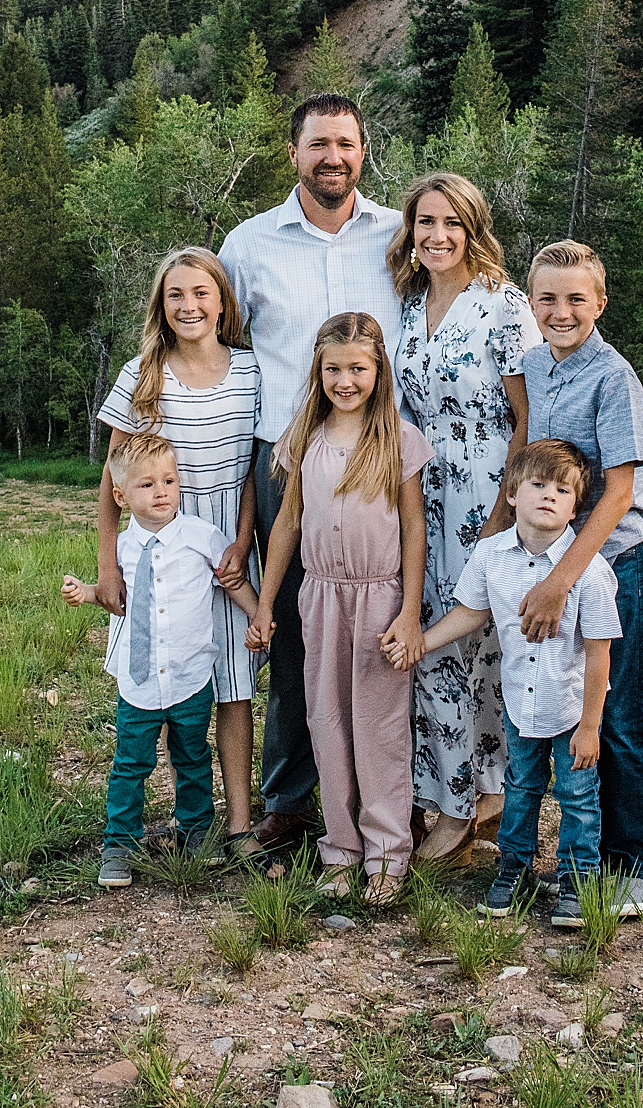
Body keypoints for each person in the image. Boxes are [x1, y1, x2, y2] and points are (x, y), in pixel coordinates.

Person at [219, 94, 403, 851]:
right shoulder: (249, 244)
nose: (334, 156)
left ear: (364, 152)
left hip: (382, 460)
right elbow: (221, 348)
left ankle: (393, 799)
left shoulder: (399, 234)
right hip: (286, 460)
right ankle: (291, 801)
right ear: (292, 152)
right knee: (293, 629)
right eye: (319, 144)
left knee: (388, 624)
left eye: (347, 144)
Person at [483, 238, 643, 915]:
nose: (562, 311)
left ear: (600, 303)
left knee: (613, 717)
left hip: (608, 564)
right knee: (552, 711)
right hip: (547, 559)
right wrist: (498, 538)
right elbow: (524, 450)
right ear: (532, 304)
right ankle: (575, 862)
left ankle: (634, 865)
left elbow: (616, 493)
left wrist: (561, 582)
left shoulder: (614, 378)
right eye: (549, 299)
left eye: (575, 299)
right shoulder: (533, 362)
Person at [385, 440, 620, 928]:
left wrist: (591, 726)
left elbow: (600, 653)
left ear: (577, 506)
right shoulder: (492, 555)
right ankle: (514, 868)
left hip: (571, 710)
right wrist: (422, 644)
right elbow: (472, 613)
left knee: (577, 795)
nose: (548, 496)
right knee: (521, 787)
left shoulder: (590, 571)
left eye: (562, 490)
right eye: (537, 485)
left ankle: (579, 878)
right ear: (512, 493)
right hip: (518, 704)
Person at [247, 311, 432, 905]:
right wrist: (267, 602)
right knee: (325, 722)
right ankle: (341, 847)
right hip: (319, 595)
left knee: (377, 728)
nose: (345, 380)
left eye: (358, 368)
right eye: (333, 368)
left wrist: (408, 610)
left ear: (379, 370)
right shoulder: (303, 436)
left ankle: (386, 852)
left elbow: (413, 530)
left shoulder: (397, 440)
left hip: (379, 597)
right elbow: (285, 527)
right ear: (317, 371)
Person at [387, 172, 540, 868]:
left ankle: (470, 803)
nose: (437, 235)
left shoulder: (503, 305)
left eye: (452, 223)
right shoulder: (409, 304)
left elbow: (528, 417)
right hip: (422, 493)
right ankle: (458, 793)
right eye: (425, 222)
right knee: (434, 646)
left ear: (473, 229)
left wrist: (504, 512)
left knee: (475, 647)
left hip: (487, 495)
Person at [92, 248, 263, 853]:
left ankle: (237, 821)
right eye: (175, 296)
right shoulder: (144, 372)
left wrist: (243, 542)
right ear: (161, 307)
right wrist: (107, 562)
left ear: (222, 301)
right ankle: (159, 814)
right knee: (167, 675)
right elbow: (115, 475)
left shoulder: (249, 370)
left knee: (233, 682)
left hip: (227, 545)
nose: (188, 306)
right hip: (162, 541)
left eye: (200, 294)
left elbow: (251, 472)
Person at [63, 431, 260, 888]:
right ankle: (120, 843)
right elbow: (114, 596)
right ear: (121, 495)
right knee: (131, 762)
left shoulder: (199, 536)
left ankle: (195, 830)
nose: (162, 493)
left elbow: (231, 580)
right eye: (148, 485)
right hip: (140, 680)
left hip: (191, 675)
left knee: (192, 754)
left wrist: (259, 615)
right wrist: (85, 593)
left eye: (169, 481)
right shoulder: (122, 550)